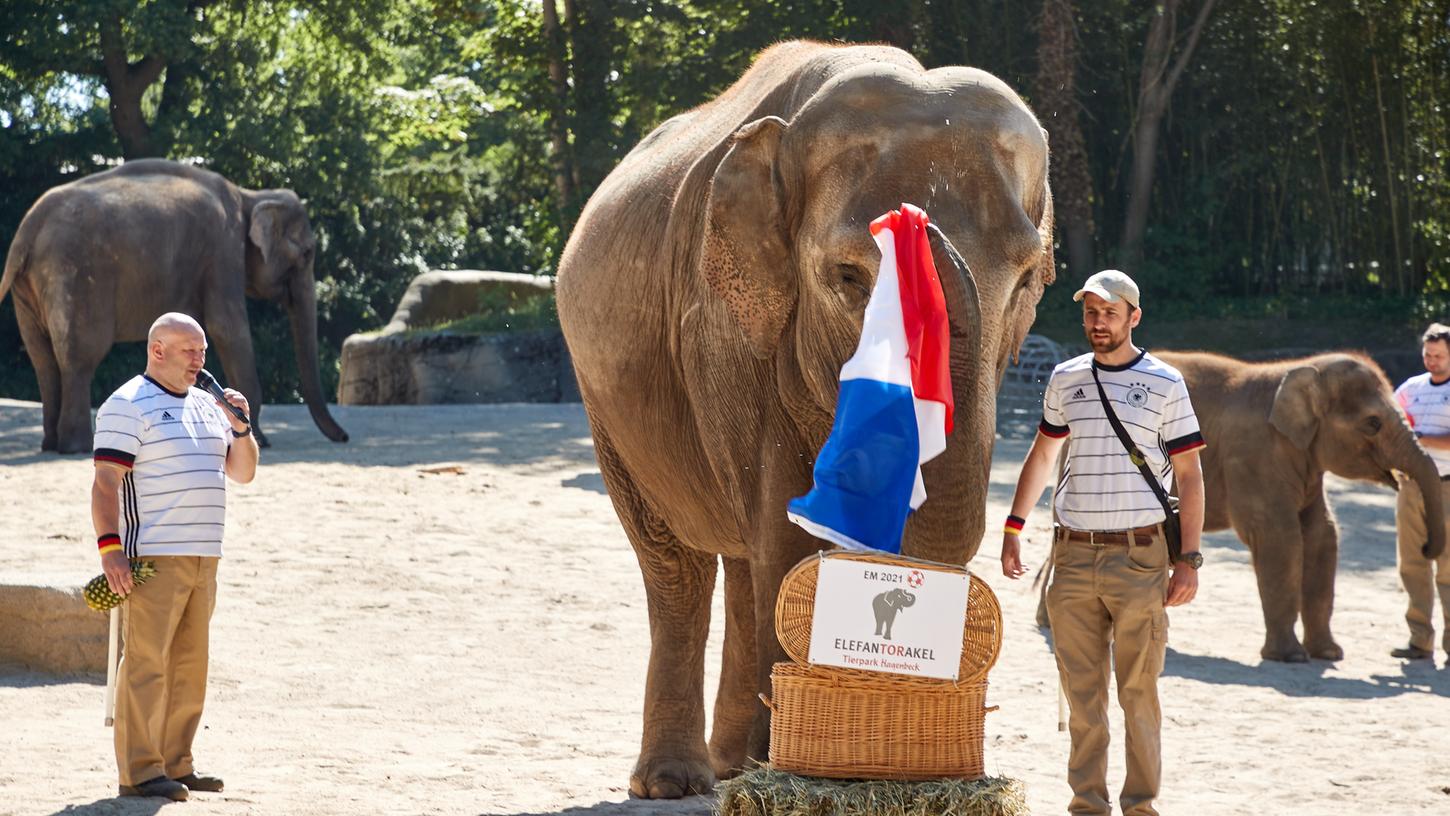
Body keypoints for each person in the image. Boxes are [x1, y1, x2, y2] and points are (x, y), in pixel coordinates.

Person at [1000, 270, 1205, 816]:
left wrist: (1188, 560)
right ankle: (1087, 805)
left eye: (1110, 313)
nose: (1098, 322)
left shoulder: (1166, 383)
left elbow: (1189, 475)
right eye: (1091, 312)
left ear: (1134, 317)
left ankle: (1140, 806)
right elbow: (1043, 456)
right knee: (1082, 698)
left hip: (1140, 557)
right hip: (1071, 556)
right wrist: (1014, 526)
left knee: (1138, 693)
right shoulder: (1066, 378)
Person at [92, 312, 258, 801]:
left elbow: (243, 473)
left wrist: (242, 429)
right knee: (146, 662)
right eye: (189, 351)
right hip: (153, 557)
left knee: (190, 664)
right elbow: (105, 485)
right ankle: (140, 772)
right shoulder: (126, 405)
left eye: (203, 352)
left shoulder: (210, 407)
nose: (199, 360)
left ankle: (178, 763)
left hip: (206, 555)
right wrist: (110, 552)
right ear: (157, 350)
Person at [1390, 323, 1450, 661]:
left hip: (1446, 486)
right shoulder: (1410, 389)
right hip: (1411, 488)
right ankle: (1420, 640)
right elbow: (1390, 423)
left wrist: (1422, 438)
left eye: (1439, 355)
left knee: (1449, 567)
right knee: (1412, 564)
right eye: (1428, 355)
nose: (1432, 361)